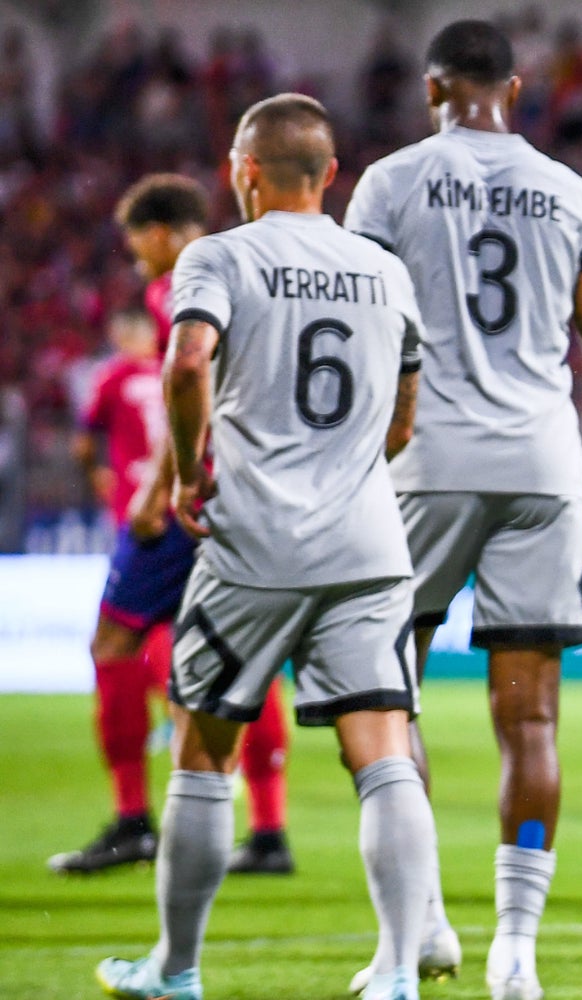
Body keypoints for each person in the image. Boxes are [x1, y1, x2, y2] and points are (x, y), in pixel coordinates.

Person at [95, 92, 438, 1000]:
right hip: (367, 544)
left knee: (203, 753)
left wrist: (181, 477)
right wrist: (358, 464)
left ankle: (175, 970)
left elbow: (186, 360)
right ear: (330, 176)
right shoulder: (384, 270)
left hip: (254, 542)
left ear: (242, 173)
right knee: (384, 749)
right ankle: (399, 969)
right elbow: (406, 414)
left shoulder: (218, 256)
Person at [341, 19, 582, 1000]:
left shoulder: (387, 184)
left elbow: (360, 334)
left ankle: (419, 926)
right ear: (514, 87)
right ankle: (517, 949)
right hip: (544, 463)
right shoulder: (571, 191)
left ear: (432, 90)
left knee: (388, 699)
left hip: (423, 463)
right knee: (531, 719)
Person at [51, 174, 295, 878]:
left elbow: (194, 382)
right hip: (253, 497)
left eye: (138, 251)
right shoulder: (252, 271)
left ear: (162, 232)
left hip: (190, 500)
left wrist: (160, 489)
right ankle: (269, 832)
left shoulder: (183, 281)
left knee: (116, 641)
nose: (140, 267)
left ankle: (134, 821)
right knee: (242, 662)